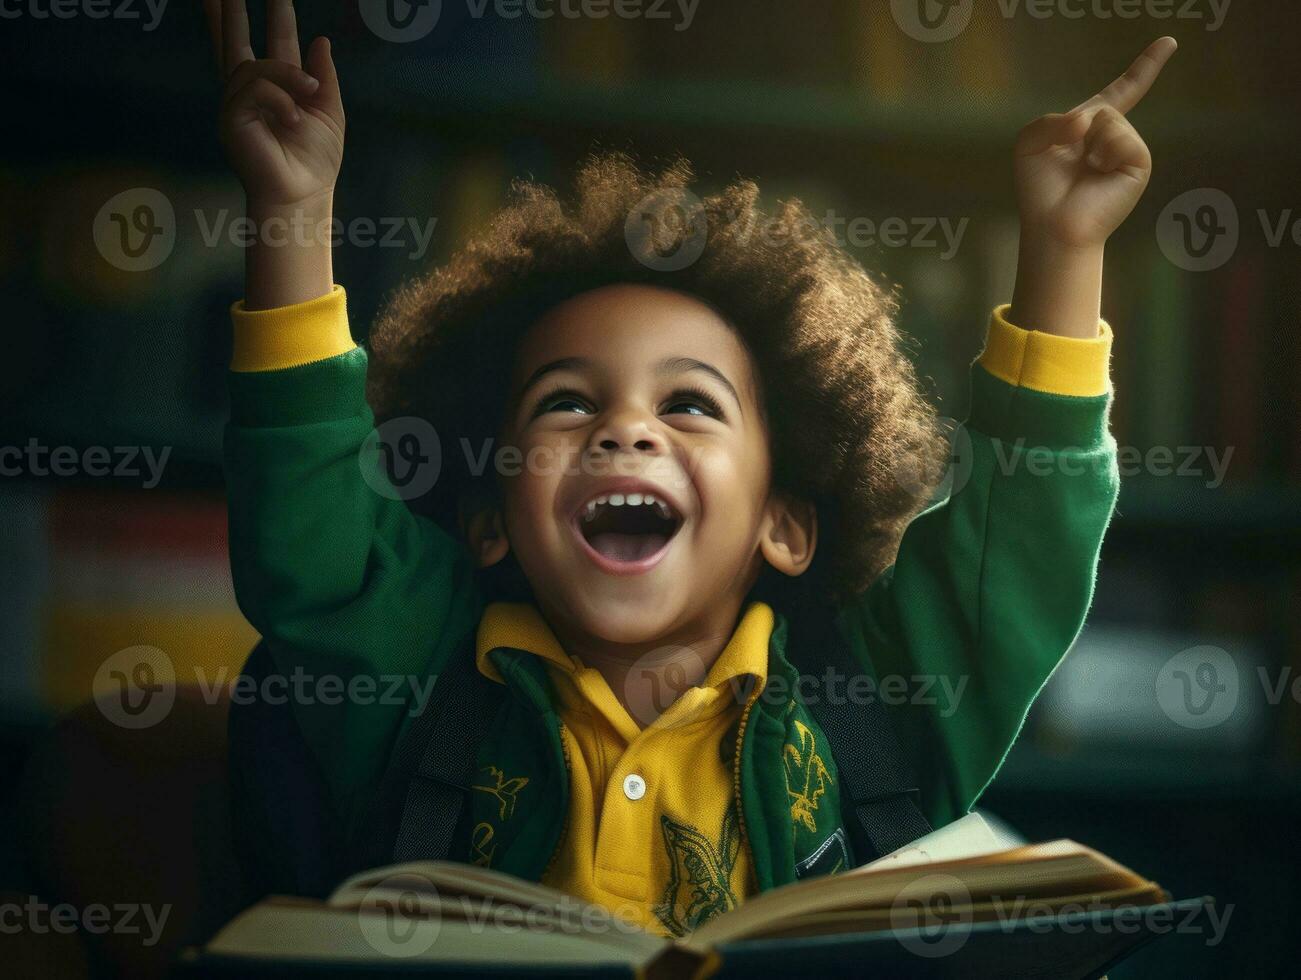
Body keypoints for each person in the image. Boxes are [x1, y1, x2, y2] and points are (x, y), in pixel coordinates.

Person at [206, 0, 1175, 938]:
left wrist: (1062, 249)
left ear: (784, 525)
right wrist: (290, 211)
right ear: (489, 517)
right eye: (567, 401)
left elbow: (1014, 548)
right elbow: (311, 519)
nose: (625, 428)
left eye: (689, 404)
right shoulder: (416, 665)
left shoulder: (878, 700)